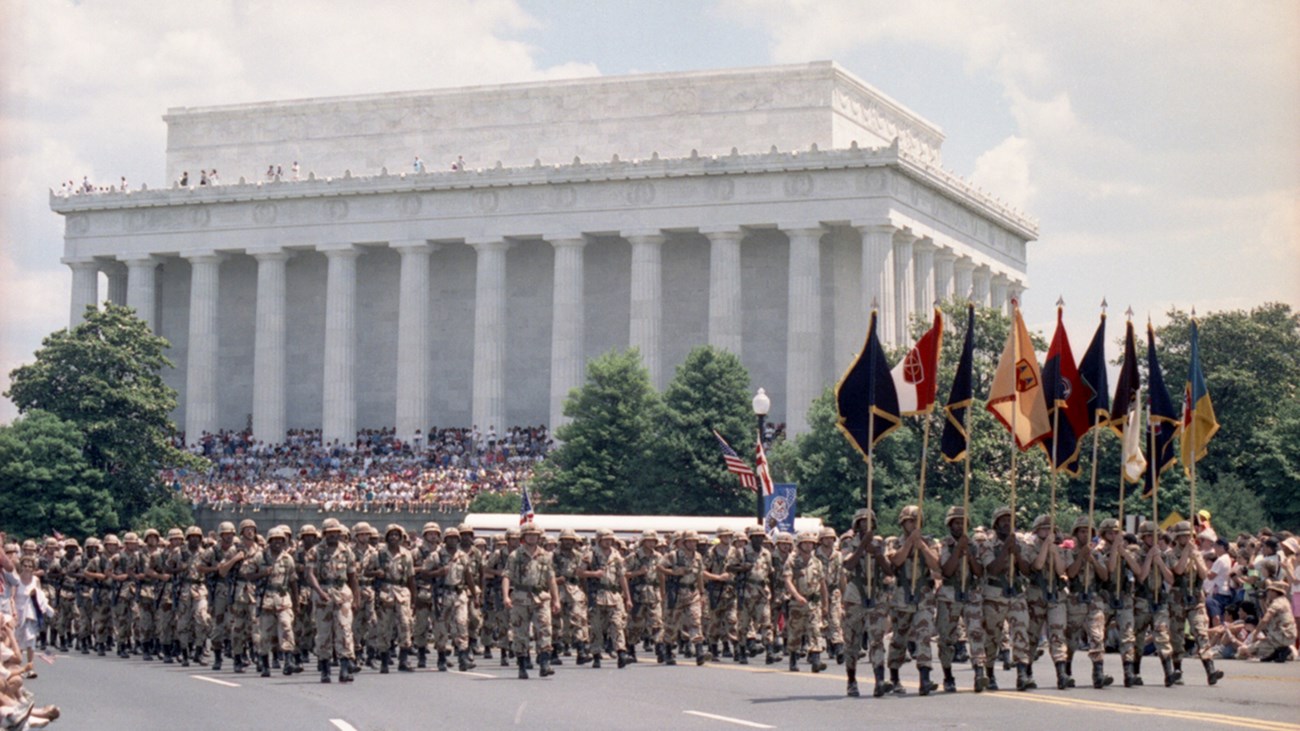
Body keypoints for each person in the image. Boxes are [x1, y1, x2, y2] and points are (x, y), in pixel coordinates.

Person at [937, 506, 988, 693]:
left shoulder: (974, 545)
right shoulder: (944, 544)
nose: (960, 526)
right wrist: (958, 550)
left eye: (962, 523)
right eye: (956, 522)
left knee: (975, 633)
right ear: (950, 524)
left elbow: (979, 571)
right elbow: (947, 570)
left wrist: (969, 554)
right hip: (950, 595)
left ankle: (979, 672)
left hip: (971, 594)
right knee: (947, 637)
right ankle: (948, 675)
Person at [502, 522, 558, 679]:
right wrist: (506, 596)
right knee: (520, 632)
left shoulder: (545, 556)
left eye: (535, 535)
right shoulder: (516, 555)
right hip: (520, 596)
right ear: (523, 537)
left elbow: (551, 579)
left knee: (545, 629)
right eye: (529, 535)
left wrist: (556, 600)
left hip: (541, 597)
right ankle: (522, 664)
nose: (532, 537)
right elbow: (506, 576)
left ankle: (545, 663)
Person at [306, 518, 359, 683]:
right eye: (330, 533)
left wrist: (356, 598)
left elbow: (352, 576)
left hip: (342, 592)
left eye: (336, 532)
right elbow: (310, 574)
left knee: (344, 629)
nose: (333, 535)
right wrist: (320, 592)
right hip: (323, 591)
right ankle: (325, 668)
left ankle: (344, 667)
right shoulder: (315, 551)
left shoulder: (347, 551)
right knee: (323, 632)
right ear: (324, 534)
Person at [1240, 580, 1296, 661]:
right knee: (1257, 649)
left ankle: (1285, 651)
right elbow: (1269, 617)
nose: (1267, 593)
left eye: (1269, 590)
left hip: (1281, 636)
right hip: (1283, 636)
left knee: (1244, 650)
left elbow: (1265, 619)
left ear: (1274, 591)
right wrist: (1262, 601)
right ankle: (1280, 651)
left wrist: (1255, 633)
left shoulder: (1277, 603)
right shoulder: (1283, 601)